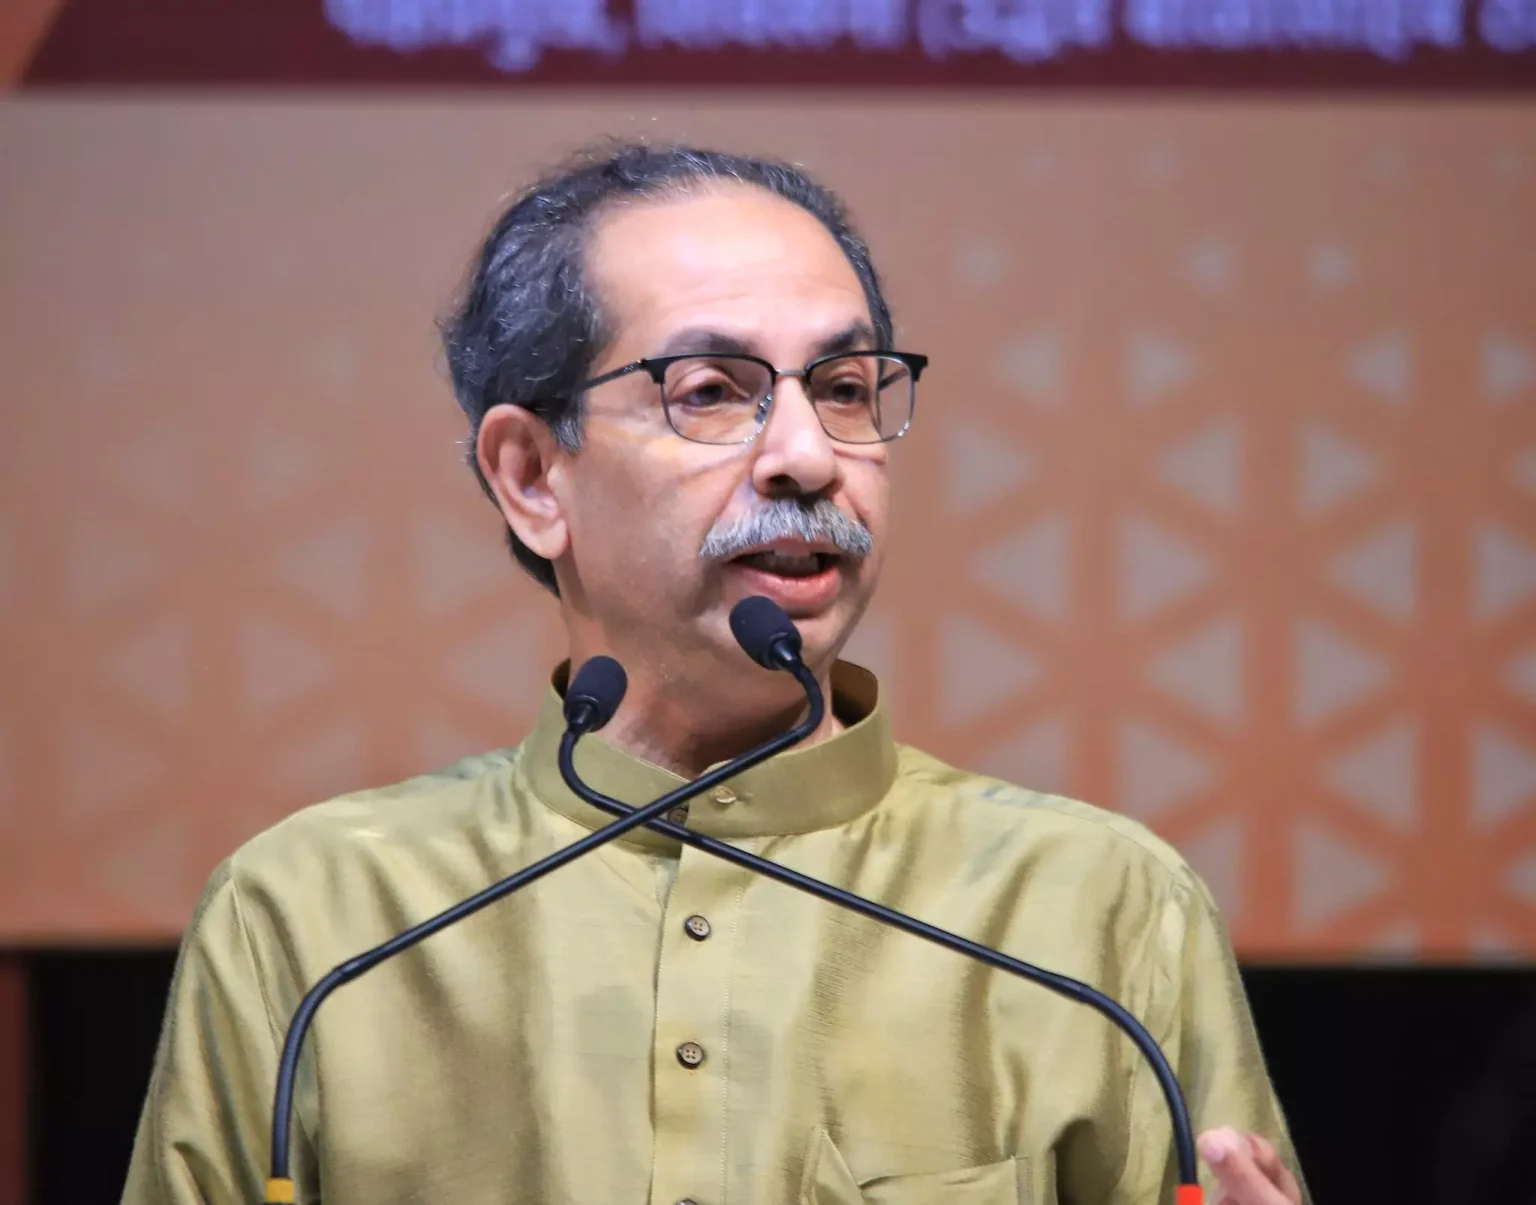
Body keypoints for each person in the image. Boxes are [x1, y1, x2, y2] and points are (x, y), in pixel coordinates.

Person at [123, 142, 1308, 1205]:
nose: (807, 455)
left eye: (844, 390)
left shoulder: (1094, 909)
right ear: (531, 476)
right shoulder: (316, 919)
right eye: (711, 393)